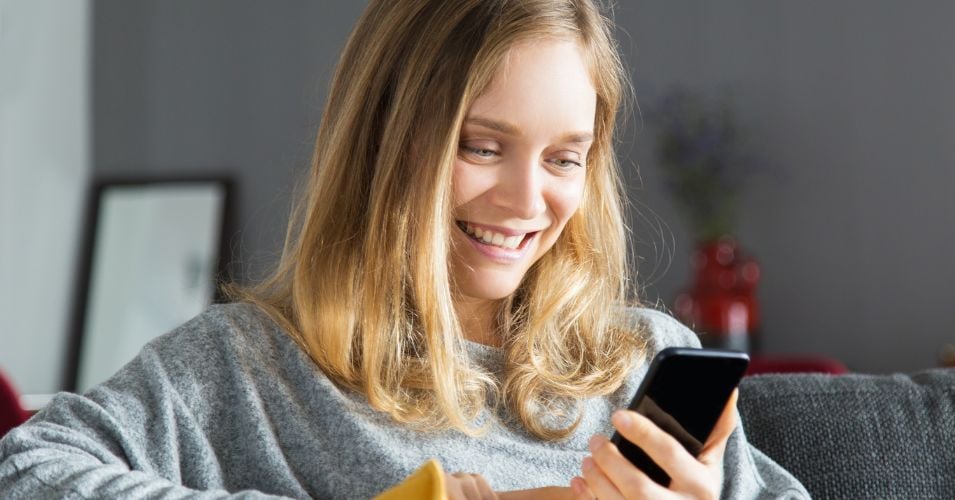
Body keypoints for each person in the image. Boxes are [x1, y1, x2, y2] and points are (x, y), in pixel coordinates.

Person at [0, 1, 809, 498]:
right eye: (481, 146)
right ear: (384, 142)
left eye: (564, 158)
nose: (528, 202)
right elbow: (26, 474)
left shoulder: (641, 359)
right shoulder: (252, 368)